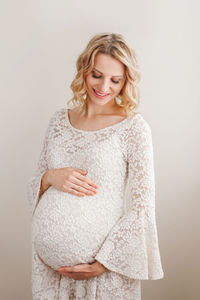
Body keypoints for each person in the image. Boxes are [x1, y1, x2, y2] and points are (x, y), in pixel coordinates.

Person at [27, 32, 164, 300]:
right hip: (52, 275)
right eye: (97, 75)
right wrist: (51, 177)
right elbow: (35, 185)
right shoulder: (58, 122)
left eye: (116, 80)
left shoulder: (134, 128)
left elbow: (143, 207)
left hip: (105, 273)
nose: (104, 87)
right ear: (84, 71)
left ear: (126, 81)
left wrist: (104, 263)